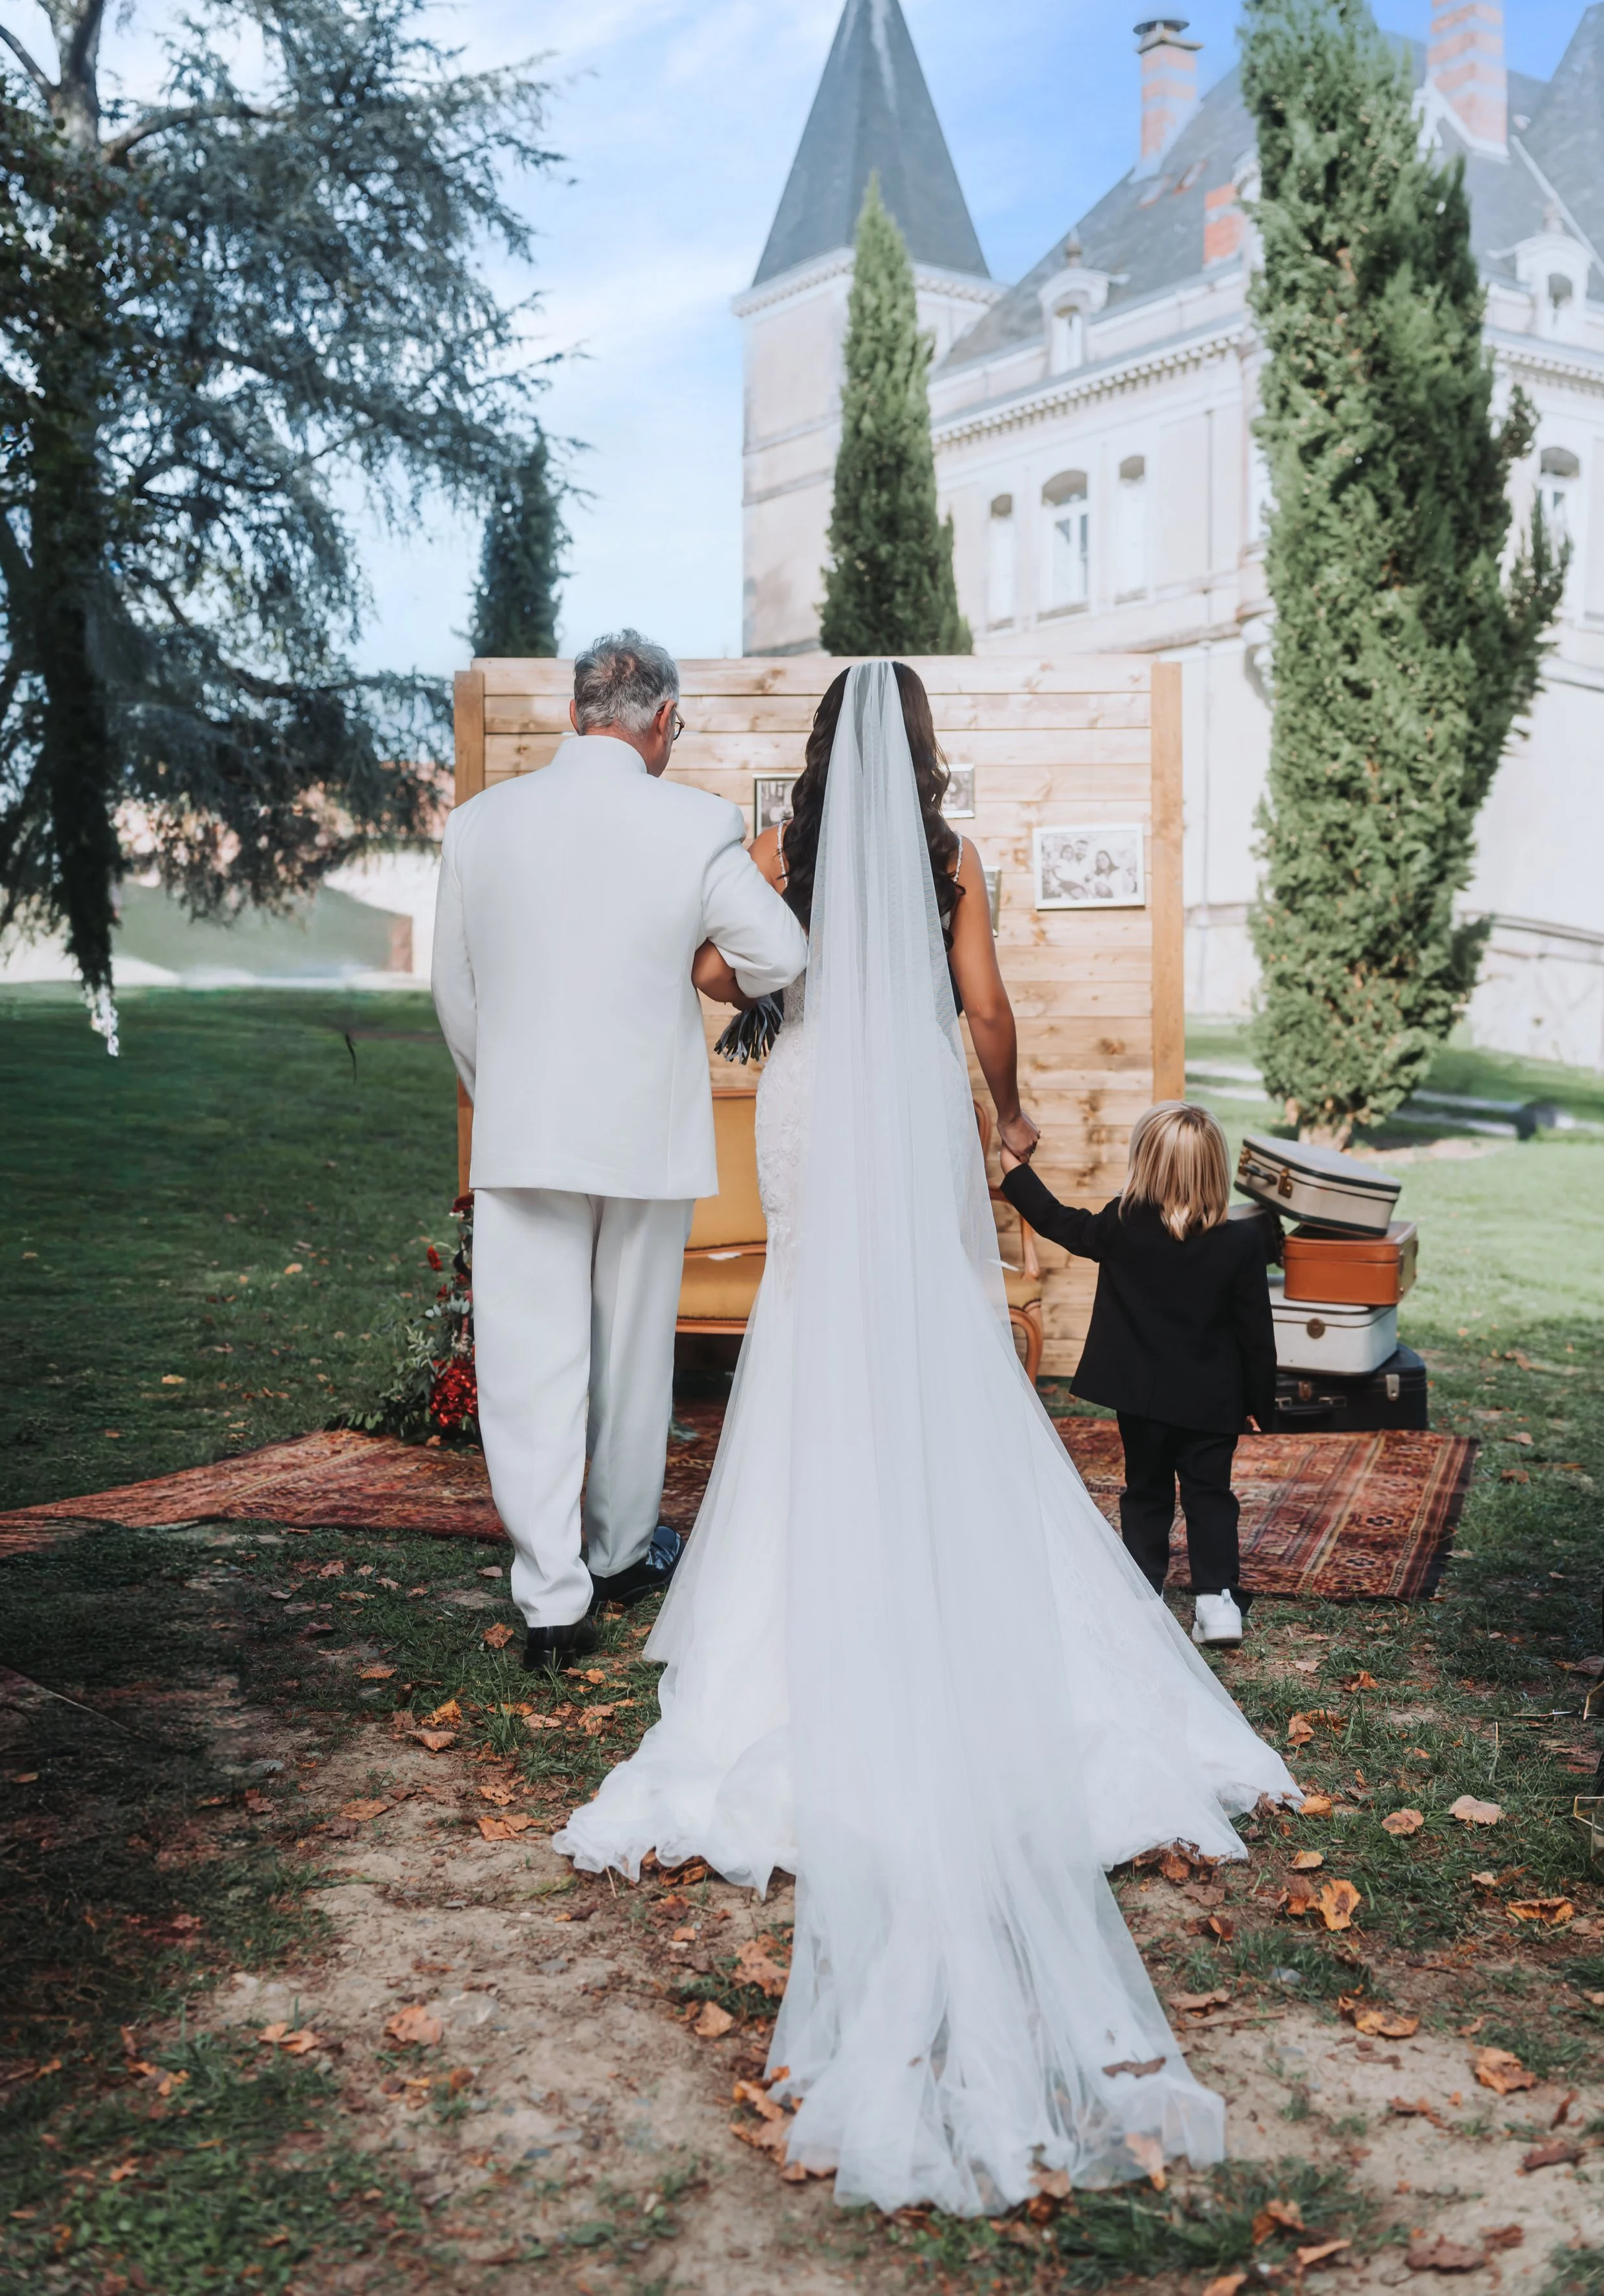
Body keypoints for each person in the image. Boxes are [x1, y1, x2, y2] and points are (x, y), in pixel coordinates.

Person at [556, 662, 1299, 2214]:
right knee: (935, 1323)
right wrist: (1007, 1115)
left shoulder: (784, 852)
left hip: (819, 1093)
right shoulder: (952, 861)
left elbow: (711, 970)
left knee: (817, 1312)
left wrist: (777, 988)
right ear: (926, 750)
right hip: (903, 1103)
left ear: (826, 750)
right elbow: (986, 1009)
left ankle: (801, 1597)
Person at [430, 630, 807, 1666]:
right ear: (664, 722)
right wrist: (695, 959)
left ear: (572, 714)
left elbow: (453, 994)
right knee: (635, 1356)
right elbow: (782, 952)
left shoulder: (479, 824)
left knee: (527, 1364)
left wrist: (498, 1090)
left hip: (523, 1130)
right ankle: (624, 1551)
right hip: (645, 1133)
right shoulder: (696, 824)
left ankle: (553, 1602)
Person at [999, 1103, 1278, 1650]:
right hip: (1211, 1403)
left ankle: (1143, 1594)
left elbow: (1060, 1222)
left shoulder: (1121, 1224)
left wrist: (1015, 1173)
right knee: (1210, 1497)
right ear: (1213, 1170)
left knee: (1146, 1492)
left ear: (1145, 1164)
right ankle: (1217, 1603)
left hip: (1142, 1400)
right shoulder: (1242, 1244)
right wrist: (1258, 1404)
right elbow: (1255, 1333)